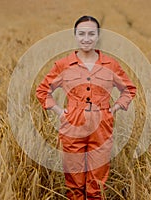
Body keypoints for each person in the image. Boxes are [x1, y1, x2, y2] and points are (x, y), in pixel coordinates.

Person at [36, 15, 136, 200]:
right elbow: (43, 90)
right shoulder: (63, 65)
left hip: (102, 127)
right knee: (74, 182)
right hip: (72, 125)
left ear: (98, 36)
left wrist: (114, 109)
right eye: (81, 34)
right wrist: (60, 112)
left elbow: (129, 89)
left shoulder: (110, 64)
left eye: (91, 34)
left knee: (96, 184)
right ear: (75, 36)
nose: (86, 38)